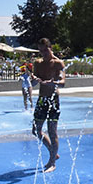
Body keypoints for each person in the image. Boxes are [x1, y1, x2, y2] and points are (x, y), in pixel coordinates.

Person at [28, 38, 65, 173]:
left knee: (52, 131)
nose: (43, 53)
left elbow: (63, 82)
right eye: (41, 51)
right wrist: (34, 80)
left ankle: (52, 163)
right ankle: (52, 152)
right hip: (42, 100)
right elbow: (32, 84)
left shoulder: (58, 63)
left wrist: (53, 82)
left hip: (53, 100)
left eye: (45, 50)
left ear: (51, 48)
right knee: (36, 130)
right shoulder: (38, 63)